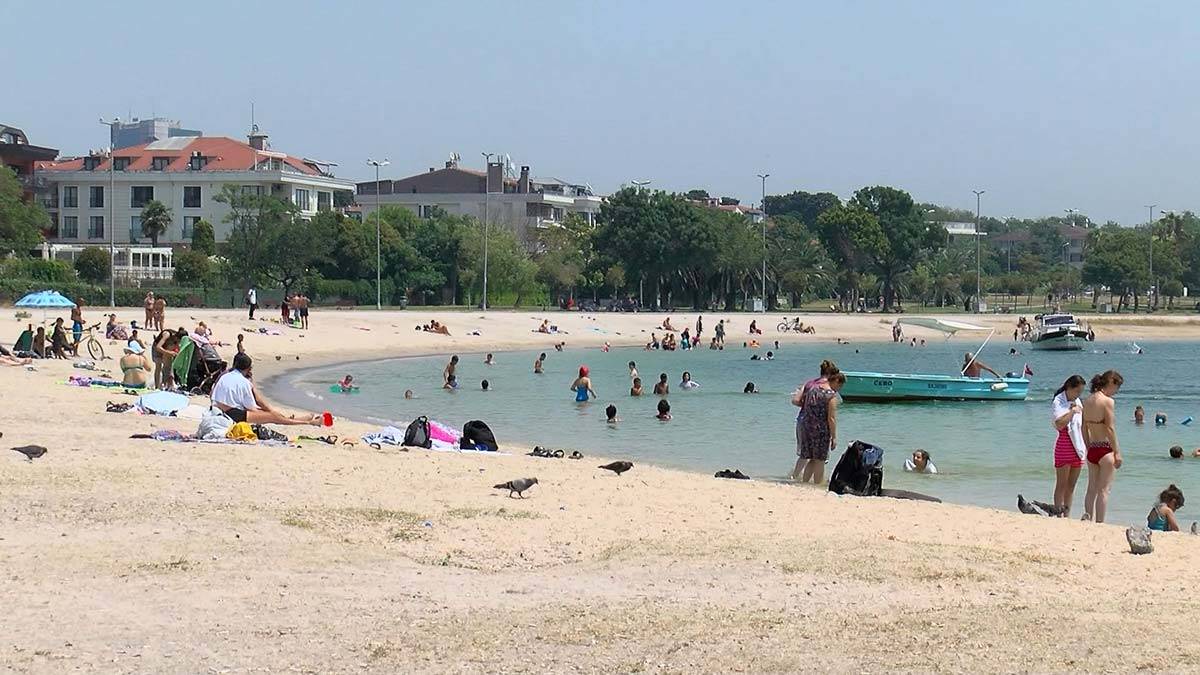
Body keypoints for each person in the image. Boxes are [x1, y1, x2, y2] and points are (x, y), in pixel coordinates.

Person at [212, 353, 321, 426]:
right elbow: (252, 407)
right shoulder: (244, 382)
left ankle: (297, 419)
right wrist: (270, 412)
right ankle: (307, 422)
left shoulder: (224, 376)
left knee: (270, 414)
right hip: (232, 414)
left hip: (216, 408)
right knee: (272, 416)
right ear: (248, 368)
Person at [1082, 370, 1124, 523]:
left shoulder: (1087, 400)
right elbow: (1110, 428)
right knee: (1104, 490)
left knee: (1091, 488)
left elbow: (1083, 427)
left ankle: (1088, 516)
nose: (1116, 392)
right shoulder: (1107, 401)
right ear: (1111, 383)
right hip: (1105, 449)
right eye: (1116, 388)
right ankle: (1100, 523)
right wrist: (1117, 452)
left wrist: (1088, 446)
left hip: (1092, 448)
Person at [792, 360, 839, 481]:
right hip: (820, 426)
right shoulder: (829, 392)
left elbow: (796, 400)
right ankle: (816, 482)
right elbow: (831, 417)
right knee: (819, 458)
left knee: (805, 454)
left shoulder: (809, 384)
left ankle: (796, 477)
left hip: (804, 421)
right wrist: (834, 437)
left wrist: (809, 405)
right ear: (831, 375)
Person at [1051, 375, 1087, 517]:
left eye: (1081, 392)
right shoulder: (1058, 401)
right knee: (1061, 484)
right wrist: (1071, 412)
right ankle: (1058, 513)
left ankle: (1067, 514)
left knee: (1071, 486)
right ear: (1069, 388)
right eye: (1077, 391)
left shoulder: (1077, 401)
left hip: (1078, 446)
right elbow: (1059, 424)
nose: (1079, 395)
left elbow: (1082, 424)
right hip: (1065, 445)